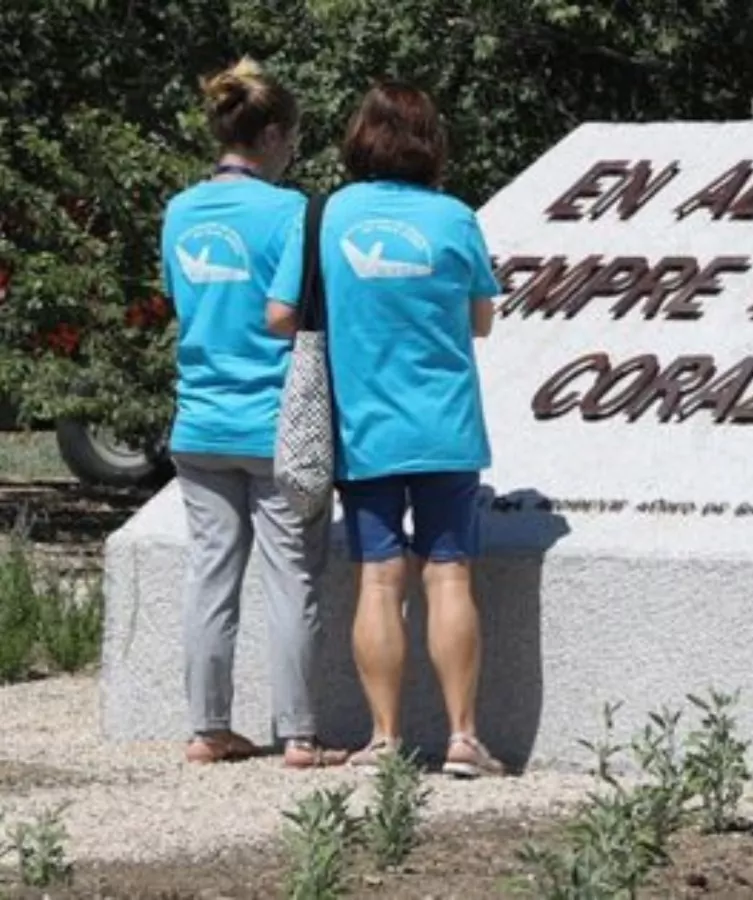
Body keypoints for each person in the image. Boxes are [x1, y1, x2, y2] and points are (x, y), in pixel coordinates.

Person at [267, 80, 504, 777]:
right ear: (432, 143)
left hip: (365, 425)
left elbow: (281, 315)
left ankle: (383, 739)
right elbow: (481, 319)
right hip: (447, 426)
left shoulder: (329, 215)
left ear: (361, 138)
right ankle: (463, 738)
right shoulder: (456, 217)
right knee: (449, 574)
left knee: (378, 578)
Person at [160, 57, 347, 768]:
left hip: (198, 420)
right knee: (292, 578)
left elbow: (186, 304)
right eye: (293, 137)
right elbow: (285, 315)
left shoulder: (179, 210)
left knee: (210, 577)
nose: (294, 150)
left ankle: (207, 729)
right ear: (270, 135)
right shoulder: (293, 212)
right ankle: (299, 734)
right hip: (273, 422)